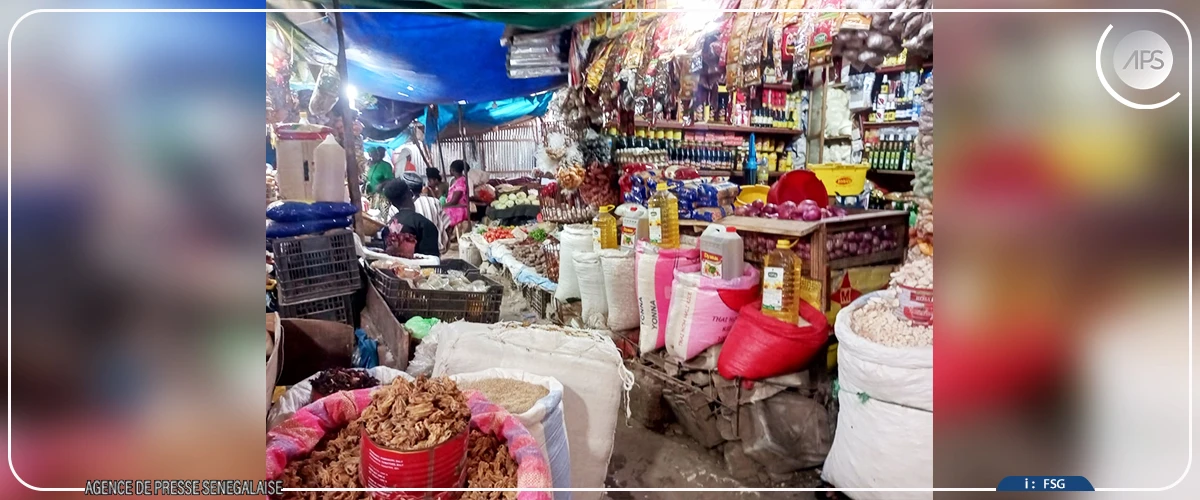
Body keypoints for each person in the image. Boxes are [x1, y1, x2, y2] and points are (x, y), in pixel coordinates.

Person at [379, 180, 440, 257]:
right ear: (411, 193)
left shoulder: (388, 227)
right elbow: (432, 263)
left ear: (392, 203)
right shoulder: (425, 225)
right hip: (417, 268)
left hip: (393, 268)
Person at [444, 160, 471, 233]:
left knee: (439, 215)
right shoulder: (456, 180)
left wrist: (442, 206)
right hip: (455, 207)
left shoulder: (461, 182)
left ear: (452, 170)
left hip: (458, 209)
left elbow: (454, 201)